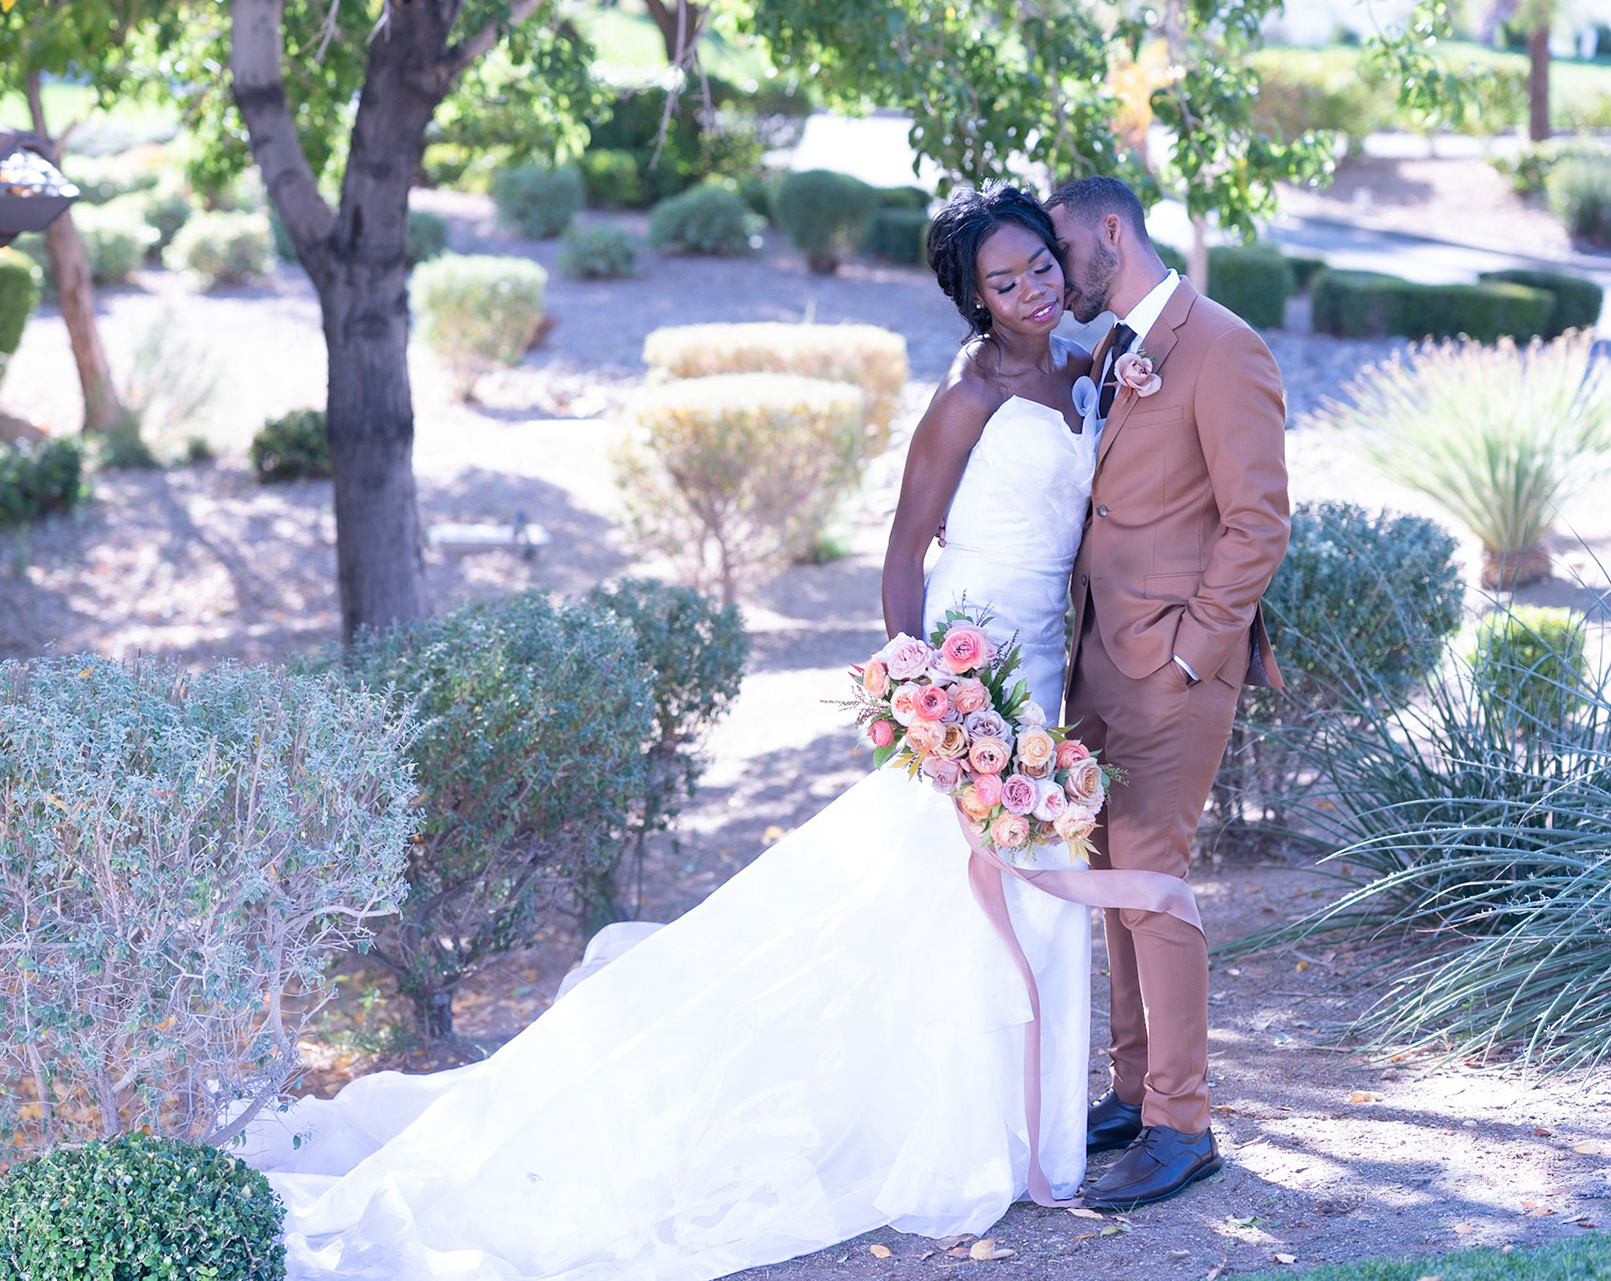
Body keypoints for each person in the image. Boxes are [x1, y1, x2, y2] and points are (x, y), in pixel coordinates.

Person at [228, 185, 1102, 1280]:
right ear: (974, 300)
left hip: (1047, 665)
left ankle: (1020, 1124)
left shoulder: (1087, 370)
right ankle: (953, 1130)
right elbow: (901, 552)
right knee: (947, 889)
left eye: (1039, 267)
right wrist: (924, 701)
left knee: (1028, 886)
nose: (1031, 292)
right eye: (1003, 283)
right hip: (971, 664)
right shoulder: (968, 397)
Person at [1044, 175, 1291, 1211]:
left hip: (1172, 667)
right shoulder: (1111, 348)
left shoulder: (1223, 346)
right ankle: (1135, 1089)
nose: (1054, 275)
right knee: (1111, 876)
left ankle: (1183, 1125)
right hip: (1098, 658)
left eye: (1062, 251)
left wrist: (1192, 654)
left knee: (1152, 877)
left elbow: (1258, 520)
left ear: (1113, 231)